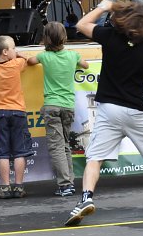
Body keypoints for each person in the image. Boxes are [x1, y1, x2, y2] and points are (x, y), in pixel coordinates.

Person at [65, 0, 143, 226]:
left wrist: (104, 7)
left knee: (95, 157)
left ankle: (85, 198)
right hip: (135, 111)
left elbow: (81, 25)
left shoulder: (110, 37)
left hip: (108, 109)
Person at [27, 22, 89, 197]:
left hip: (52, 106)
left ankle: (65, 185)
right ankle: (69, 182)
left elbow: (30, 61)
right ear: (65, 37)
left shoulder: (44, 56)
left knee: (56, 147)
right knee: (65, 145)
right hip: (68, 106)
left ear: (46, 38)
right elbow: (86, 65)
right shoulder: (73, 55)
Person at [0, 35, 34, 199]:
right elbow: (26, 59)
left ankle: (5, 187)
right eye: (13, 48)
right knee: (20, 151)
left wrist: (1, 50)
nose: (16, 50)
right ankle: (19, 187)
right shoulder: (17, 64)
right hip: (18, 112)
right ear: (6, 52)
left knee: (2, 152)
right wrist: (19, 55)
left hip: (0, 112)